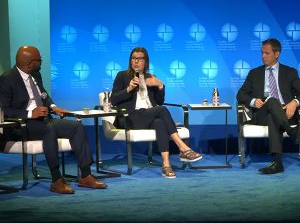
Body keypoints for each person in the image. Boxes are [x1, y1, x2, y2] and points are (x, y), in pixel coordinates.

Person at [0, 45, 107, 194]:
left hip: (44, 121)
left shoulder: (36, 74)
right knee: (49, 129)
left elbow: (44, 95)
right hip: (22, 126)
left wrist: (54, 107)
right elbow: (4, 110)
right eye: (39, 59)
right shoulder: (7, 79)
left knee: (75, 126)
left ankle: (85, 175)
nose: (42, 61)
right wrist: (31, 113)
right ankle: (56, 179)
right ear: (29, 63)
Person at [110, 46, 202, 178]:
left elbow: (159, 101)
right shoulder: (122, 76)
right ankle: (183, 148)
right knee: (162, 111)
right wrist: (129, 88)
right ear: (130, 61)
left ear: (145, 62)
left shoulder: (151, 77)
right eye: (133, 58)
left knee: (159, 122)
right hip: (131, 117)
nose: (136, 61)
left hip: (149, 115)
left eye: (140, 59)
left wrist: (159, 85)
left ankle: (166, 165)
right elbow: (113, 100)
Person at [237, 38, 300, 174]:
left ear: (276, 54)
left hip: (285, 113)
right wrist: (253, 101)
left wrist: (294, 103)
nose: (263, 56)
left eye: (266, 53)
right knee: (271, 101)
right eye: (262, 53)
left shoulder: (290, 72)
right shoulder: (254, 73)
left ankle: (277, 163)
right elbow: (240, 95)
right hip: (262, 113)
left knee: (274, 115)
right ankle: (291, 132)